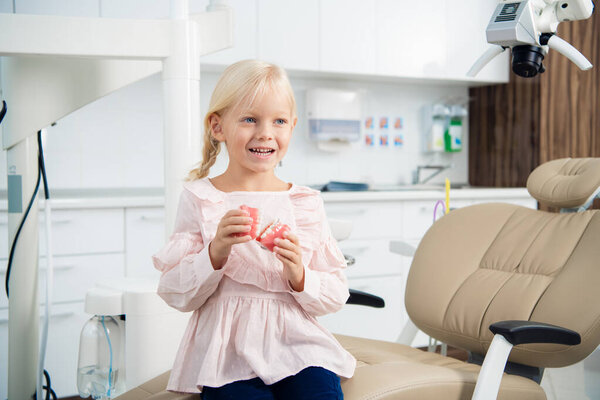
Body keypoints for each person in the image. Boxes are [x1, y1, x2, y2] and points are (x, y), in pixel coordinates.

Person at [152, 59, 356, 400]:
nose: (265, 133)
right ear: (218, 127)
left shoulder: (304, 202)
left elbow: (334, 295)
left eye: (278, 121)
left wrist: (299, 274)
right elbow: (176, 293)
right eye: (250, 119)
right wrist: (214, 252)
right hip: (225, 351)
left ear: (291, 127)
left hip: (298, 344)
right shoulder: (202, 198)